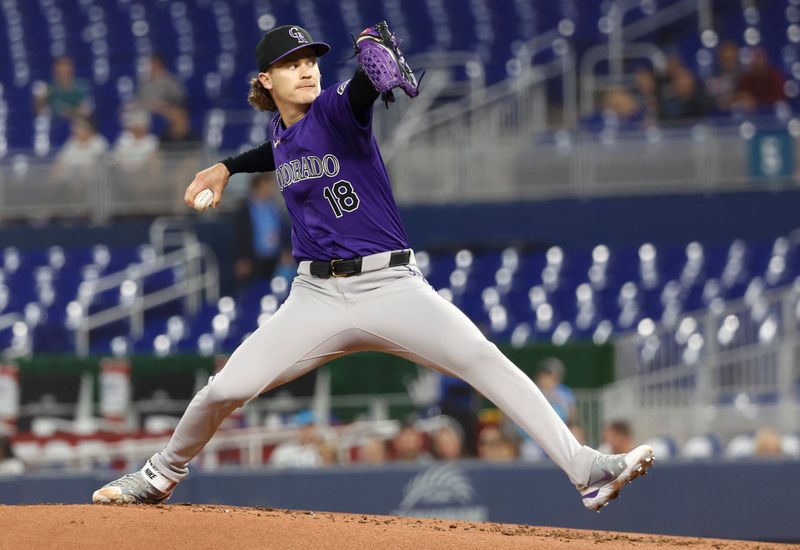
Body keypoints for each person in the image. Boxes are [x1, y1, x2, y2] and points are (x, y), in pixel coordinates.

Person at [92, 22, 654, 512]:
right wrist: (227, 167)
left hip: (391, 287)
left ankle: (587, 471)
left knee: (485, 359)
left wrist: (371, 55)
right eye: (292, 64)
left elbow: (361, 89)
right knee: (222, 391)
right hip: (313, 299)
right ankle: (161, 475)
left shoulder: (337, 108)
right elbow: (280, 150)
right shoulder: (283, 132)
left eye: (311, 60)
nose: (307, 70)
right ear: (266, 80)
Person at [233, 173, 289, 286]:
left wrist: (286, 250)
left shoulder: (275, 209)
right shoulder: (244, 211)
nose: (270, 189)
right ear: (257, 187)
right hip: (253, 260)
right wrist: (241, 258)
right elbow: (239, 236)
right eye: (266, 186)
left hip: (275, 259)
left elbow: (283, 231)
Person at [34, 56, 92, 121]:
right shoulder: (49, 89)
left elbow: (86, 112)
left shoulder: (82, 87)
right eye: (59, 73)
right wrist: (40, 101)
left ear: (71, 72)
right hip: (55, 127)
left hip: (76, 125)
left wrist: (68, 111)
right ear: (55, 74)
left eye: (66, 73)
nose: (63, 76)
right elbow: (41, 114)